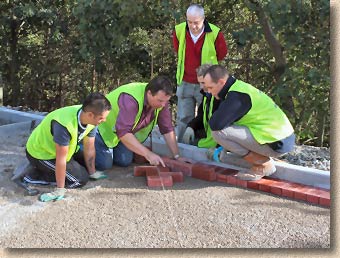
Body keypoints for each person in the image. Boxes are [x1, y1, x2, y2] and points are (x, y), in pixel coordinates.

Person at [203, 65, 295, 181]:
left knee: (218, 133)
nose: (209, 92)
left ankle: (263, 165)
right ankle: (261, 156)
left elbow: (215, 124)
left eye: (210, 88)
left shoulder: (237, 97)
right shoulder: (239, 87)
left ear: (221, 82)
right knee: (228, 132)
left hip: (277, 143)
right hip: (281, 138)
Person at [23, 92, 112, 202]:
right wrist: (60, 189)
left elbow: (89, 147)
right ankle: (33, 175)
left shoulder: (91, 119)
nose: (104, 121)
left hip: (66, 150)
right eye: (102, 118)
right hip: (42, 154)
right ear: (90, 115)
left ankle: (50, 171)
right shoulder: (64, 125)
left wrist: (92, 172)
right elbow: (61, 159)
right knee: (79, 180)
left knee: (92, 166)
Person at [95, 75, 185, 170]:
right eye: (160, 101)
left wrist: (177, 156)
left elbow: (167, 129)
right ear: (149, 93)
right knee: (104, 164)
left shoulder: (161, 101)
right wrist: (148, 154)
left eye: (166, 101)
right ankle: (84, 147)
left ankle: (109, 150)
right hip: (102, 129)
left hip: (118, 134)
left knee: (124, 161)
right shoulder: (131, 99)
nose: (163, 105)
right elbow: (123, 132)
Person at [173, 3, 228, 143]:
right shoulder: (179, 31)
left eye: (196, 22)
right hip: (184, 81)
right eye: (189, 22)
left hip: (206, 85)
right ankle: (182, 146)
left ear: (203, 19)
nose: (193, 26)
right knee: (183, 117)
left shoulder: (215, 33)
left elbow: (222, 54)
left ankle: (202, 145)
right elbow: (177, 49)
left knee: (206, 116)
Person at [182, 64, 221, 148]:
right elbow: (201, 116)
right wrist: (191, 127)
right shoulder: (206, 95)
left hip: (219, 145)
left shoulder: (222, 97)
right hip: (209, 140)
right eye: (199, 83)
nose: (201, 86)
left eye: (203, 83)